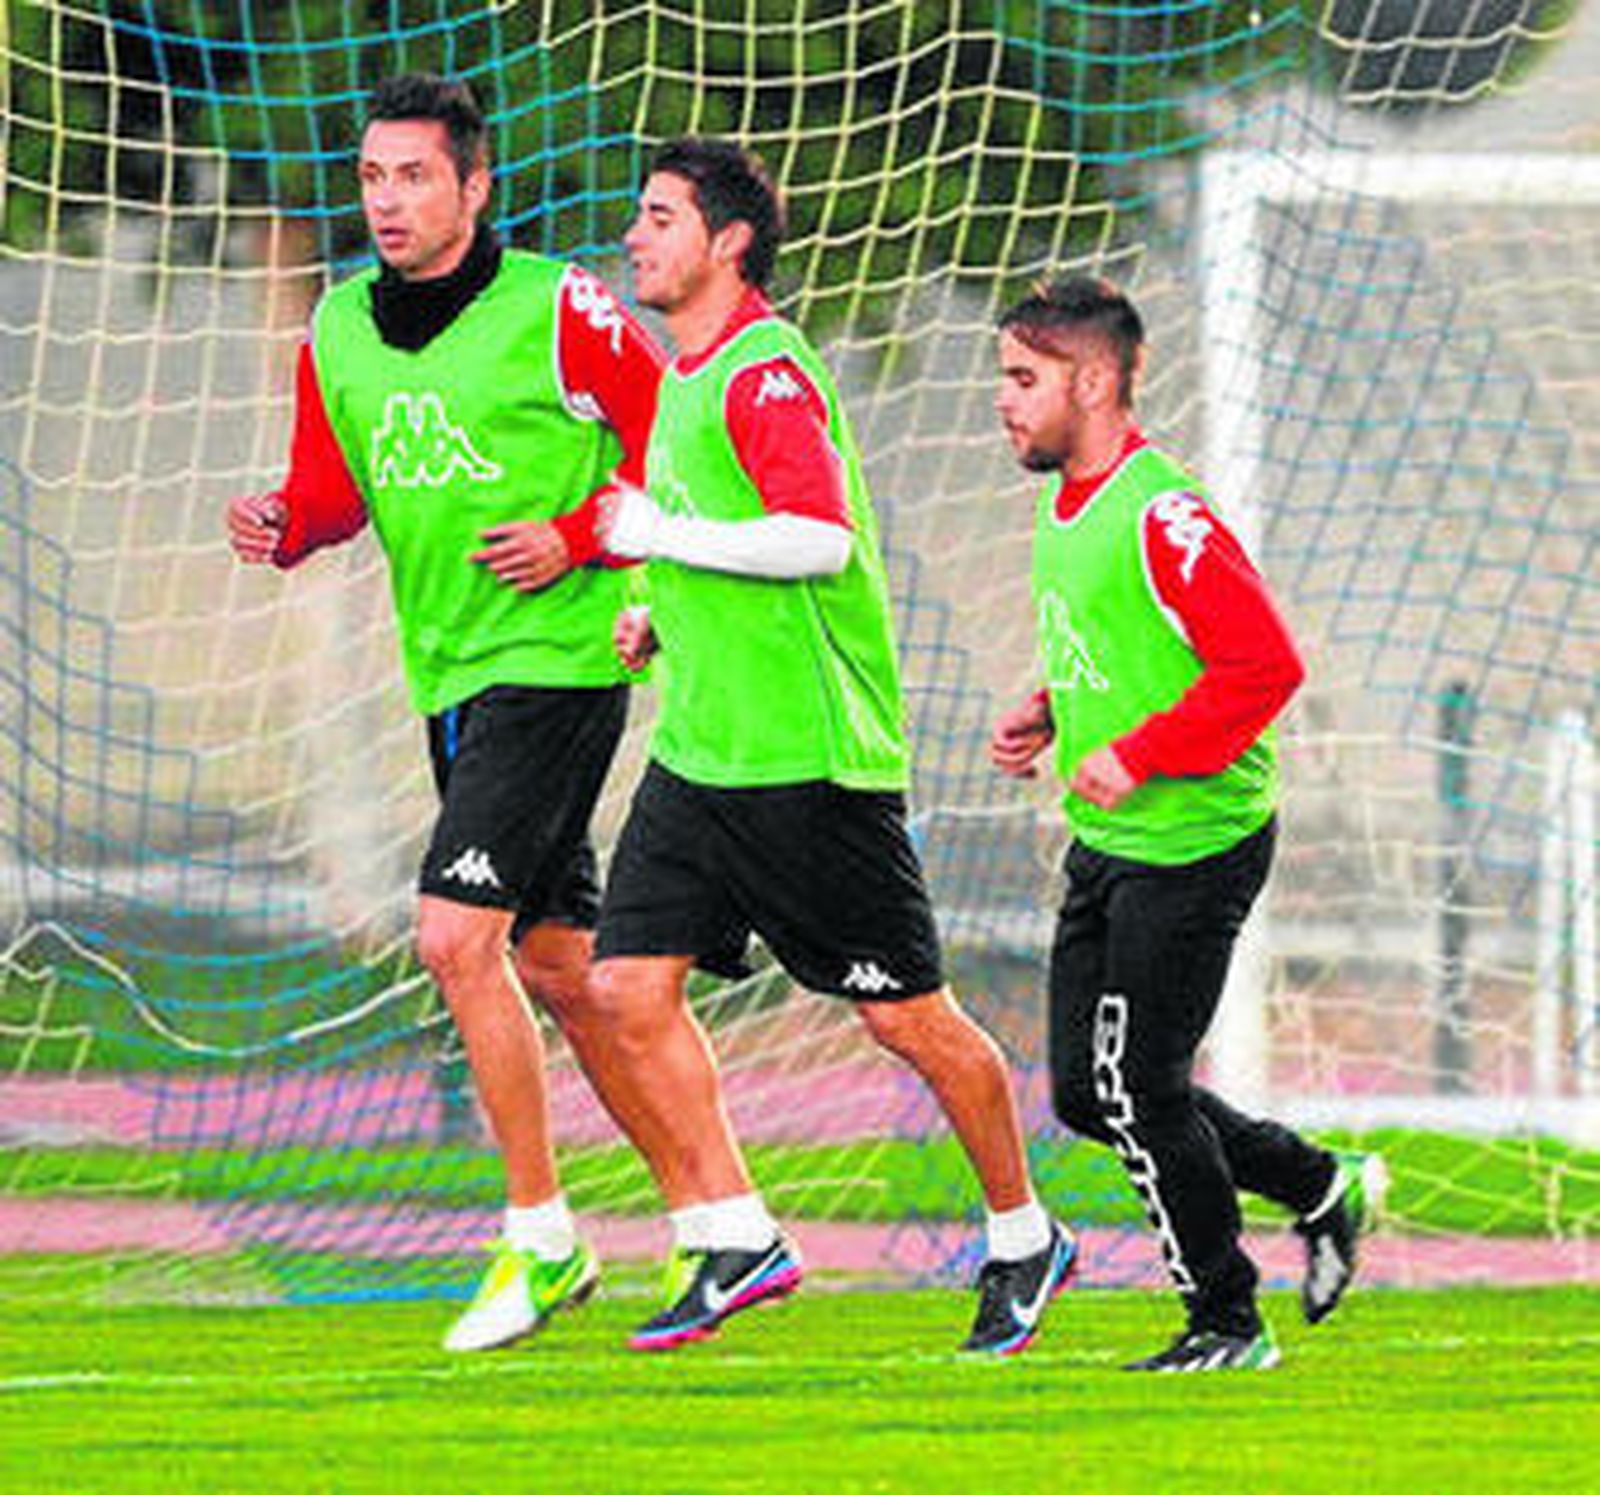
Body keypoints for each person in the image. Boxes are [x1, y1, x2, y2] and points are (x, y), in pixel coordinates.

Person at [575, 137, 1075, 1356]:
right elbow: (725, 547)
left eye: (658, 217)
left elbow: (817, 541)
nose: (634, 237)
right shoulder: (682, 377)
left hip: (810, 761)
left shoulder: (766, 369)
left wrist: (659, 534)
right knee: (622, 988)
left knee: (906, 1020)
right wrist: (660, 609)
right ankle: (737, 1233)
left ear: (727, 242)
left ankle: (1024, 1235)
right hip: (703, 752)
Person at [226, 73, 666, 1353]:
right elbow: (331, 494)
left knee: (450, 939)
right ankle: (726, 1215)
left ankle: (540, 1237)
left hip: (561, 658)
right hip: (454, 677)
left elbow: (672, 440)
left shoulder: (562, 307)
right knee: (558, 967)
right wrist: (284, 524)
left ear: (475, 187)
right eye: (372, 177)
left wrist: (582, 539)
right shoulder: (340, 327)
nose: (389, 200)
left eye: (415, 176)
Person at [989, 275, 1387, 1371]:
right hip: (1113, 845)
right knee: (1088, 1090)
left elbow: (1264, 665)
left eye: (1025, 378)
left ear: (1097, 379)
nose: (1004, 401)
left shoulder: (1164, 513)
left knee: (1141, 1088)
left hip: (1196, 842)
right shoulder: (1064, 505)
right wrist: (1054, 708)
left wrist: (1143, 752)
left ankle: (1225, 1320)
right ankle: (1316, 1182)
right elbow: (1128, 654)